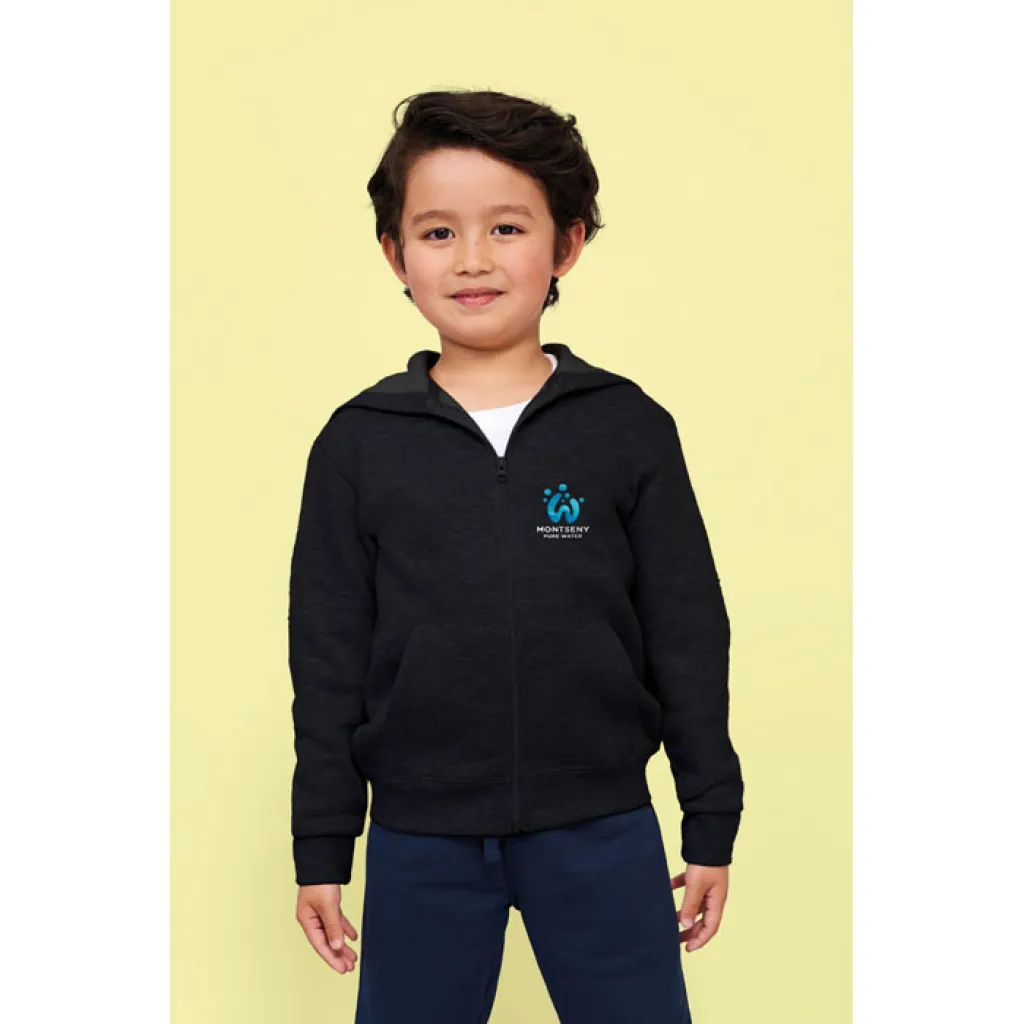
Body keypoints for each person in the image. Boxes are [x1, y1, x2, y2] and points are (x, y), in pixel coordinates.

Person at [287, 88, 744, 1023]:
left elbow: (688, 632)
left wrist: (710, 818)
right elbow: (327, 657)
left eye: (506, 227)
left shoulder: (627, 428)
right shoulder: (358, 444)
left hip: (603, 829)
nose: (474, 259)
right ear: (395, 254)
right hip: (420, 838)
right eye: (438, 232)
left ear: (565, 245)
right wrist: (322, 846)